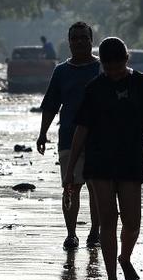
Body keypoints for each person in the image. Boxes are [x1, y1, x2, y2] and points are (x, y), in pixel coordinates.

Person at [66, 37, 143, 280]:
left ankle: (124, 258)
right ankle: (112, 278)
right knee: (108, 221)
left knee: (132, 222)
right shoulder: (94, 88)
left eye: (118, 67)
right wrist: (70, 170)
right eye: (108, 68)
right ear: (101, 64)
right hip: (99, 163)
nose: (114, 73)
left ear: (127, 59)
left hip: (131, 161)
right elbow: (81, 130)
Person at [36, 22, 101, 251]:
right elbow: (51, 105)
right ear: (69, 42)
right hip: (68, 138)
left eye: (84, 38)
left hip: (98, 139)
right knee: (70, 186)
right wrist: (42, 133)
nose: (79, 42)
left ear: (91, 41)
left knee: (96, 188)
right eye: (75, 38)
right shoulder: (61, 71)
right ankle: (71, 234)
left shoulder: (102, 69)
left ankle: (95, 231)